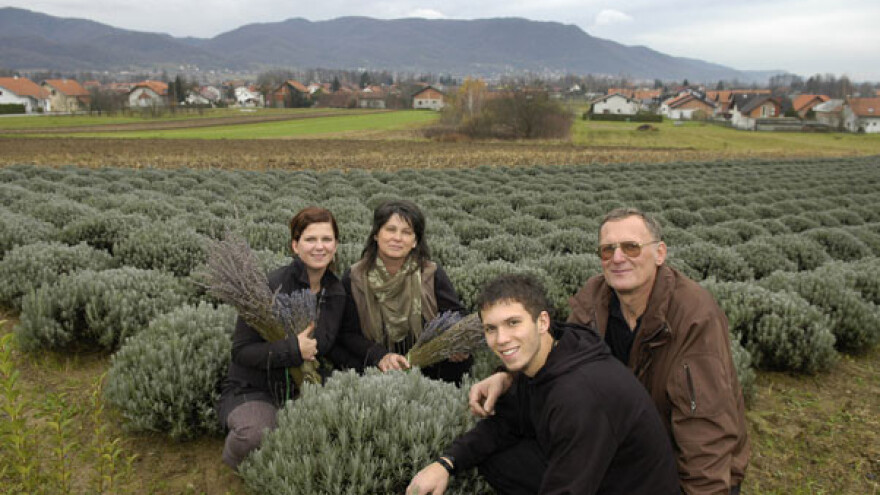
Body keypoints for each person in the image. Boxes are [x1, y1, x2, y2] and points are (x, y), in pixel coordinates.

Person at [468, 208, 750, 495]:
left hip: (674, 465)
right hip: (613, 446)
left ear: (660, 253)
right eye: (607, 250)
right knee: (502, 459)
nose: (617, 258)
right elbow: (555, 354)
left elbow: (704, 427)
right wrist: (507, 376)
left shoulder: (693, 316)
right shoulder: (595, 297)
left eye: (631, 247)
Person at [407, 273, 680, 495]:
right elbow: (505, 424)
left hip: (627, 485)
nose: (501, 339)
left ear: (542, 322)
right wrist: (445, 464)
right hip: (596, 468)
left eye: (513, 323)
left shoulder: (579, 395)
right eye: (491, 328)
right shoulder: (546, 358)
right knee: (498, 461)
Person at [216, 206, 346, 469]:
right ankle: (235, 461)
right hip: (256, 388)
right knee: (254, 435)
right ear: (295, 246)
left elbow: (337, 345)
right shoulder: (269, 287)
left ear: (336, 245)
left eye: (326, 239)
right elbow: (241, 352)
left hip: (306, 385)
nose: (319, 246)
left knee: (344, 428)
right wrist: (293, 349)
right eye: (310, 239)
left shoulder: (336, 291)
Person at [329, 199, 471, 384]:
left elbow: (456, 314)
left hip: (429, 367)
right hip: (377, 368)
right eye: (390, 229)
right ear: (376, 235)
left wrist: (456, 342)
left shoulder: (430, 273)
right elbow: (347, 333)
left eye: (406, 232)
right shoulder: (355, 277)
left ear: (415, 241)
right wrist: (381, 356)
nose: (397, 238)